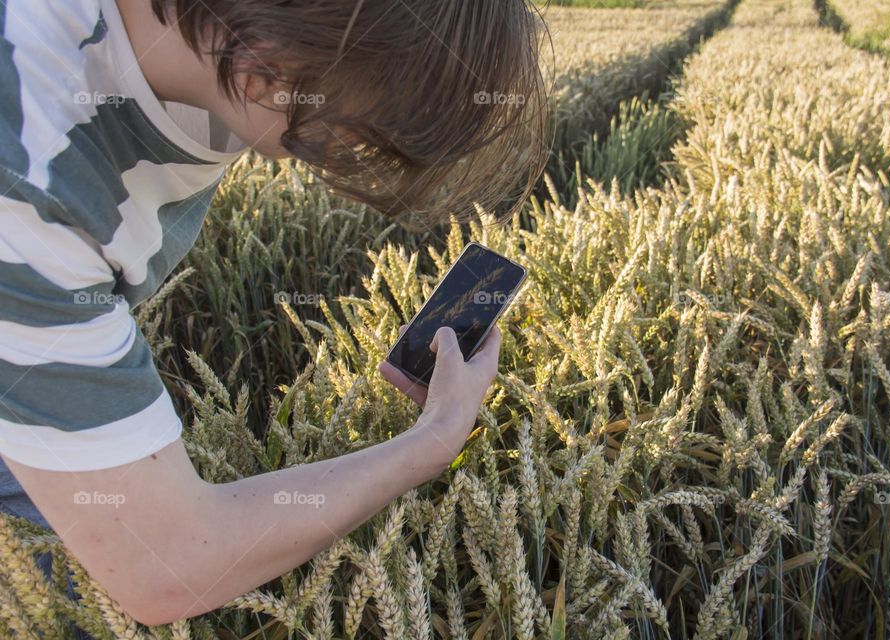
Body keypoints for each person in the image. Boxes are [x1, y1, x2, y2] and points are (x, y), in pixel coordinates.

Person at [0, 0, 546, 626]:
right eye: (365, 131)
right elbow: (167, 566)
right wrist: (435, 438)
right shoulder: (26, 183)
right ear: (266, 66)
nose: (355, 159)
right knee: (64, 603)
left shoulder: (226, 62)